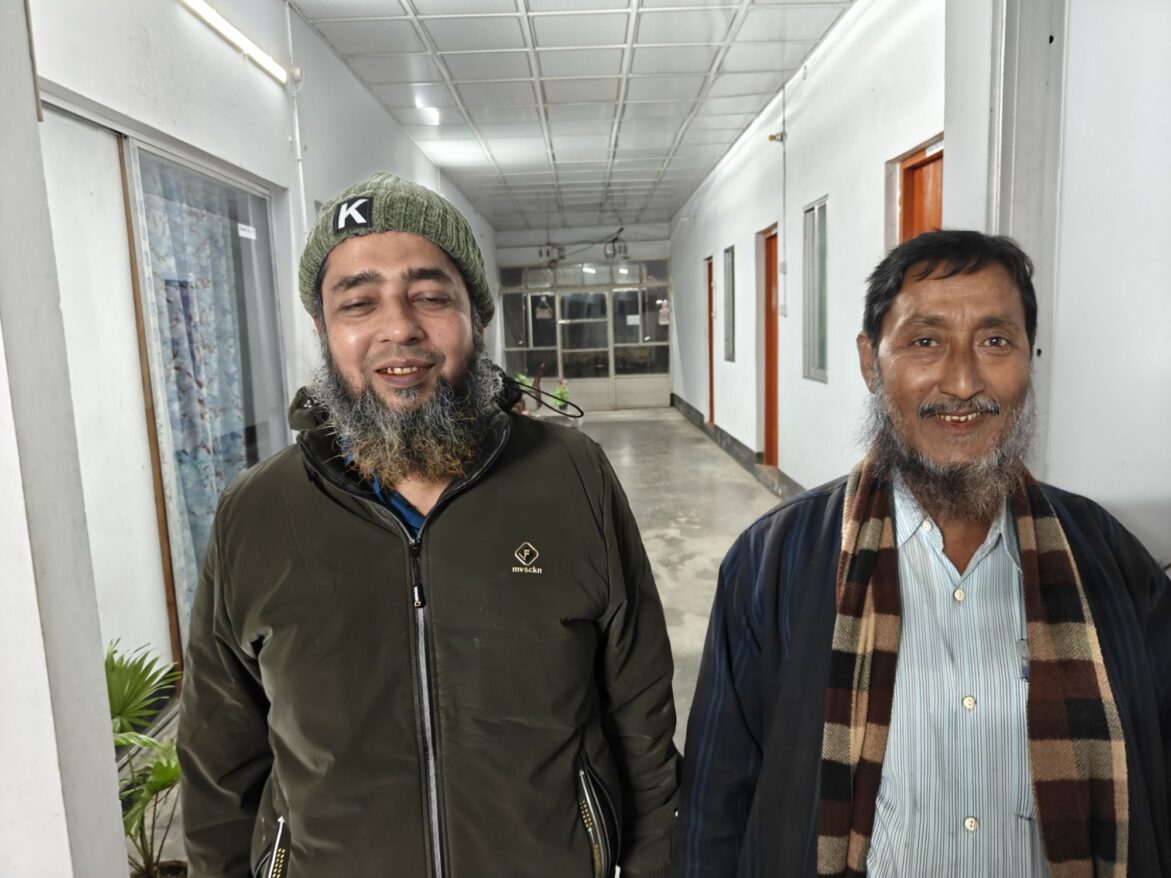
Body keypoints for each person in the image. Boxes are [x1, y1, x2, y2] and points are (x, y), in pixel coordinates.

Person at [178, 172, 680, 878]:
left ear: (477, 317)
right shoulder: (256, 511)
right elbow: (218, 755)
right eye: (359, 302)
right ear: (323, 330)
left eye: (430, 296)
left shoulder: (573, 476)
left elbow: (640, 706)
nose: (399, 328)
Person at [672, 230, 1171, 877]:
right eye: (925, 341)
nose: (962, 382)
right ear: (870, 362)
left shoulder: (1107, 559)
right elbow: (716, 803)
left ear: (1029, 357)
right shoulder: (772, 564)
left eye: (995, 341)